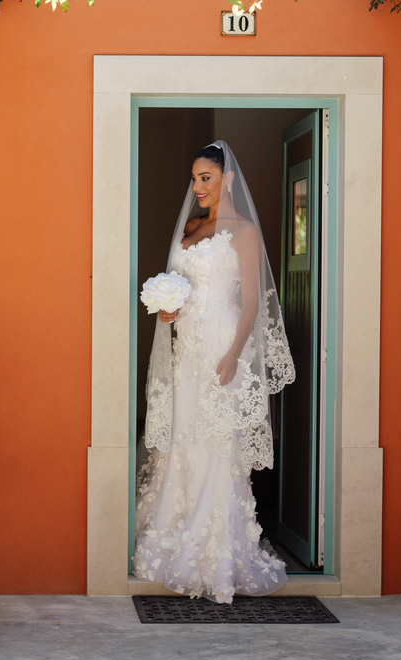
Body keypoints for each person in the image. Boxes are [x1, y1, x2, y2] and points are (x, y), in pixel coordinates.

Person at [133, 141, 296, 603]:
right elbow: (181, 290)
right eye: (194, 178)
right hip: (187, 350)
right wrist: (167, 310)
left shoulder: (244, 231)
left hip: (223, 345)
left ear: (228, 178)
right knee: (184, 436)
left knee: (217, 442)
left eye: (206, 177)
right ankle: (174, 530)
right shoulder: (191, 227)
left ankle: (216, 549)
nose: (198, 186)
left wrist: (233, 353)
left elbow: (251, 301)